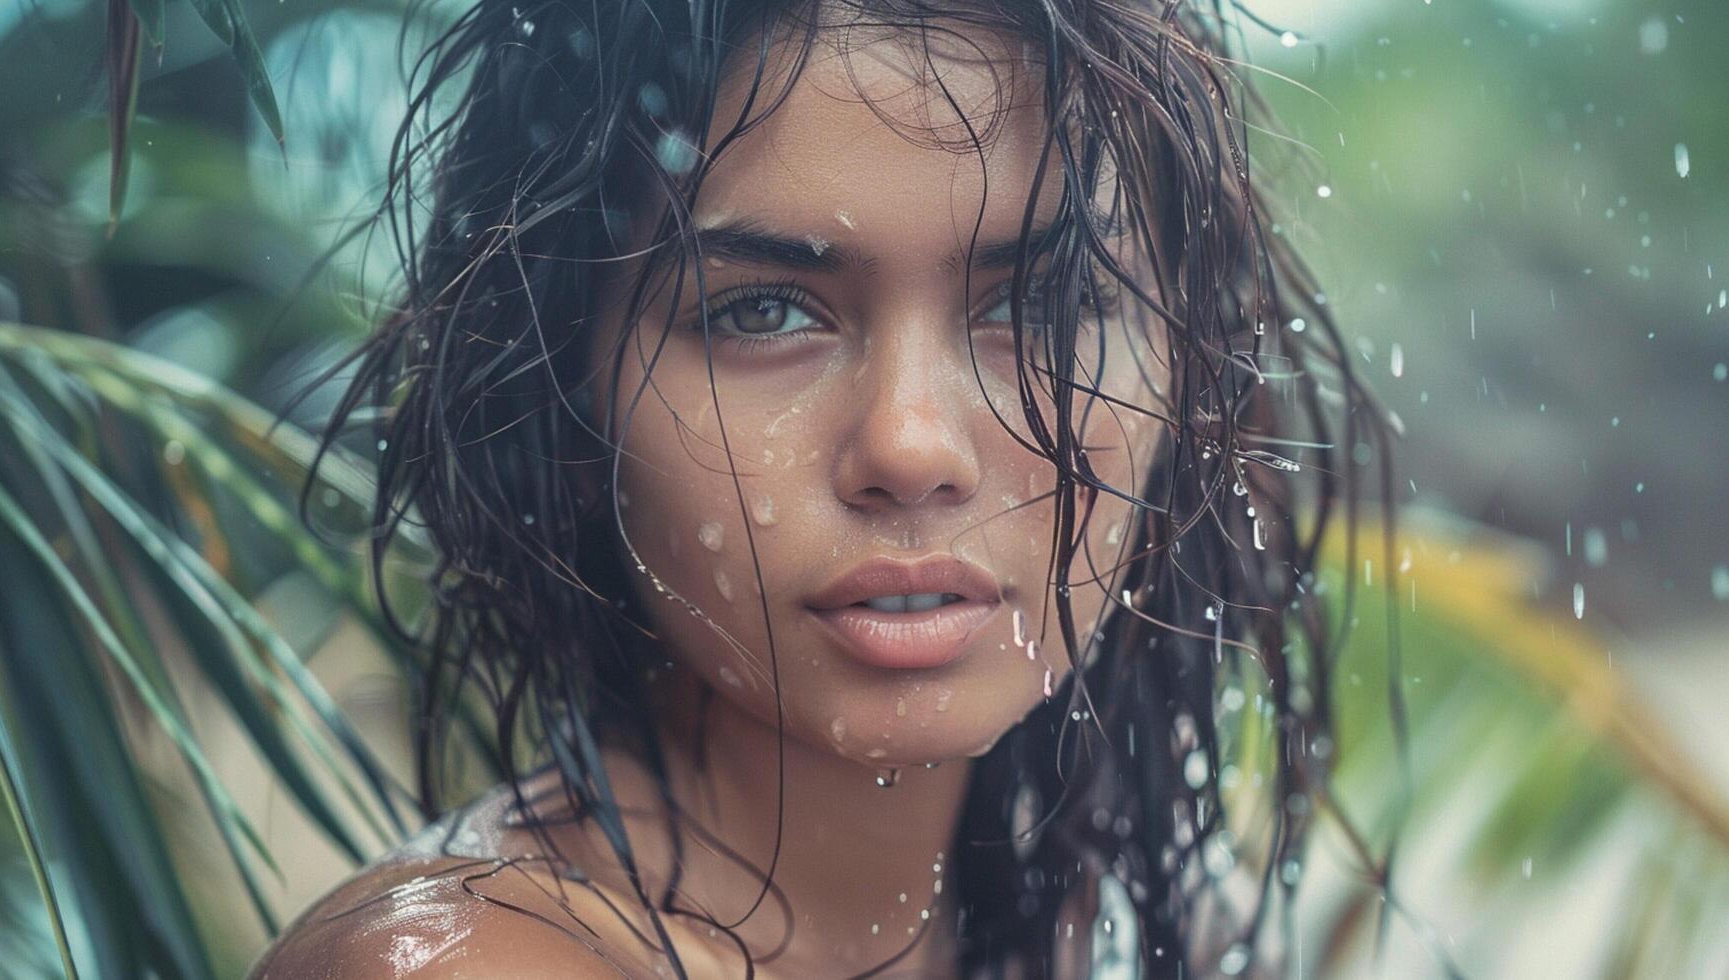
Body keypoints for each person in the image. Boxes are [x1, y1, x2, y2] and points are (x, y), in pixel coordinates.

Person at [253, 0, 1392, 975]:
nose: (910, 444)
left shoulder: (1168, 938)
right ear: (565, 382)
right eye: (763, 310)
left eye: (1041, 307)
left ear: (1189, 370)